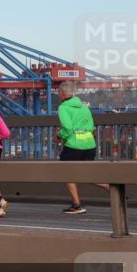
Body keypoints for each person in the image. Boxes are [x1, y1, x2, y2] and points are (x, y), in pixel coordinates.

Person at [56, 81, 109, 214]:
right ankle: (111, 187)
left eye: (58, 93)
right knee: (87, 175)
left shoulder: (63, 107)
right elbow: (91, 127)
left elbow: (67, 129)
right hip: (90, 144)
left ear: (62, 94)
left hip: (74, 145)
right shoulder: (84, 107)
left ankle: (77, 204)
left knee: (67, 173)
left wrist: (58, 135)